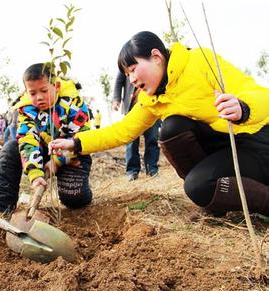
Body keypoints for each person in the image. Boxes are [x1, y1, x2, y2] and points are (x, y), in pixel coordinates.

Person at [50, 31, 269, 216]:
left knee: (196, 182)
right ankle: (213, 198)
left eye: (133, 69)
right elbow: (122, 131)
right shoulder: (152, 99)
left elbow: (258, 93)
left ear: (156, 56)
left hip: (255, 141)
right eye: (127, 75)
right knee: (173, 129)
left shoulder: (200, 61)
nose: (132, 79)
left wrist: (243, 107)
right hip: (226, 149)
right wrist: (76, 143)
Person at [0, 63, 93, 217]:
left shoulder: (73, 102)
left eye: (44, 91)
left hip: (72, 153)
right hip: (42, 151)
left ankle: (81, 197)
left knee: (74, 199)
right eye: (32, 93)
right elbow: (27, 139)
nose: (39, 97)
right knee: (11, 148)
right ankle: (1, 206)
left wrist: (58, 161)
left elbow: (81, 137)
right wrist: (35, 174)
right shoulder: (26, 109)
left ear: (56, 86)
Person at [113, 71, 161, 181]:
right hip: (131, 106)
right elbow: (119, 81)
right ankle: (132, 171)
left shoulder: (153, 57)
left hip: (151, 105)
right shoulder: (127, 57)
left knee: (152, 139)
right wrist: (116, 99)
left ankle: (152, 169)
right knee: (131, 141)